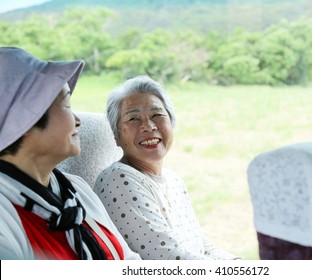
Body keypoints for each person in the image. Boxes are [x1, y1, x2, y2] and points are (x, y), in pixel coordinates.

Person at [0, 47, 141, 260]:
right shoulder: (5, 214)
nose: (78, 120)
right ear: (25, 119)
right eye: (66, 104)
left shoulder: (76, 189)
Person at [94, 75, 240, 260]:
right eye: (133, 119)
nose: (148, 126)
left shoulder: (174, 181)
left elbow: (202, 246)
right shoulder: (118, 179)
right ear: (117, 136)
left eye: (157, 115)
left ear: (171, 122)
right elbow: (168, 259)